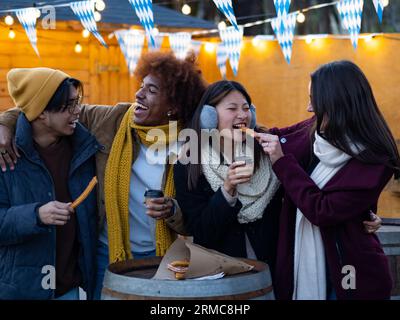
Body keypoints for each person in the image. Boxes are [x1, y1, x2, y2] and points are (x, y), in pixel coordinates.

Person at [0, 51, 207, 299]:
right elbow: (41, 108)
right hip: (107, 252)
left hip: (163, 256)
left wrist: (173, 211)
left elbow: (196, 213)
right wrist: (4, 123)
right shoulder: (115, 119)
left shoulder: (192, 142)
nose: (139, 94)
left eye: (152, 91)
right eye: (141, 86)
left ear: (174, 104)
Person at [259, 60, 399, 300]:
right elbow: (276, 137)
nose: (308, 108)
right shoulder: (318, 131)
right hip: (303, 264)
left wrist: (283, 163)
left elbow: (323, 210)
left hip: (350, 276)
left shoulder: (376, 159)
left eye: (315, 100)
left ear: (335, 104)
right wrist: (241, 124)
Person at [0, 67, 98, 299]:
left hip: (71, 290)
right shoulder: (5, 155)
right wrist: (36, 215)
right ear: (42, 112)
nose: (78, 111)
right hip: (21, 291)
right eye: (69, 106)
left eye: (78, 102)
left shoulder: (85, 147)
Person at [174, 80, 283, 278]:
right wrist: (227, 189)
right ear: (209, 117)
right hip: (223, 277)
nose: (242, 115)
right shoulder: (189, 164)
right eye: (232, 108)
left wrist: (281, 161)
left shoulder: (267, 151)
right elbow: (201, 232)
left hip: (271, 272)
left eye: (246, 108)